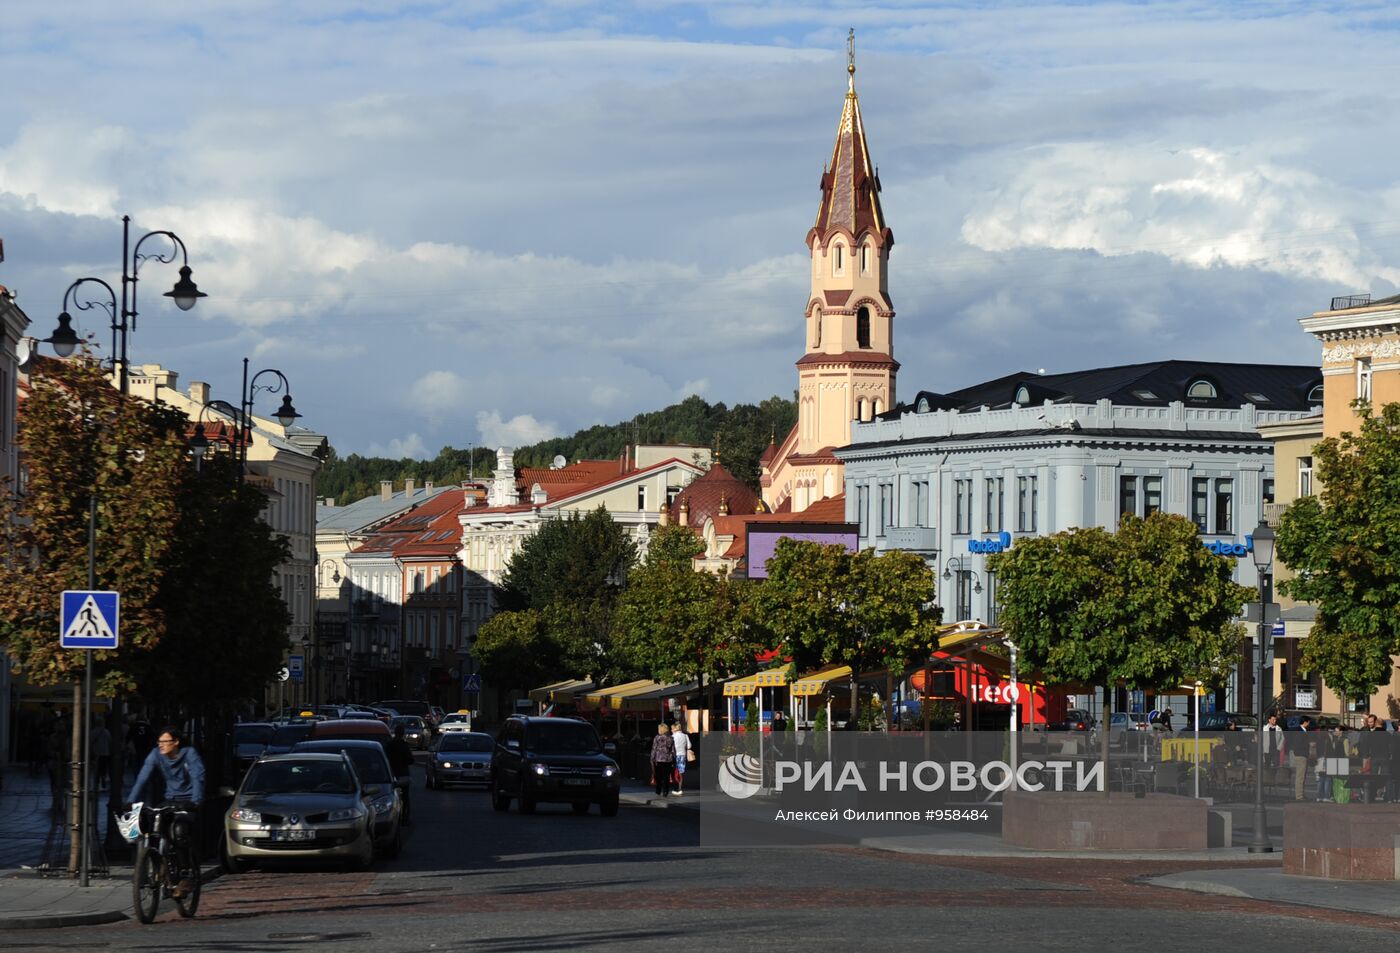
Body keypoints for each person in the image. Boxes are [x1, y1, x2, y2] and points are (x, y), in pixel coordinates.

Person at [126, 727, 205, 898]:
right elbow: (143, 777)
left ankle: (185, 873)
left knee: (179, 832)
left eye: (165, 742)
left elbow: (198, 776)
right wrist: (130, 801)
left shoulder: (189, 753)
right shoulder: (156, 755)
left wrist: (195, 801)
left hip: (188, 800)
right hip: (169, 798)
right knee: (152, 826)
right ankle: (156, 863)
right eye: (159, 742)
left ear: (176, 742)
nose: (161, 745)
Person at [386, 725, 415, 825]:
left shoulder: (389, 745)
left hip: (391, 774)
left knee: (391, 796)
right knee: (405, 797)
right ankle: (405, 817)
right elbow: (411, 760)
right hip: (403, 774)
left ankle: (394, 816)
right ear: (403, 733)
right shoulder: (404, 745)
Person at [1288, 714, 1314, 801]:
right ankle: (1299, 796)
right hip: (1301, 755)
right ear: (1305, 722)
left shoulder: (1303, 730)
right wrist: (1308, 746)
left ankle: (1301, 794)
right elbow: (1298, 744)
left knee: (1302, 776)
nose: (1309, 724)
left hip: (1302, 755)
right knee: (1300, 777)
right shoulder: (1299, 731)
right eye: (1308, 722)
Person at [650, 724, 675, 797]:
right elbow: (673, 750)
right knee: (666, 776)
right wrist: (674, 758)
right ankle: (665, 791)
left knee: (658, 776)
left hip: (658, 759)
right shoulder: (670, 738)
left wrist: (652, 758)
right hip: (668, 759)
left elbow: (654, 748)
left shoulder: (657, 738)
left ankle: (658, 790)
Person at [670, 722, 691, 796]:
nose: (671, 730)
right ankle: (680, 788)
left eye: (672, 728)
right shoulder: (685, 736)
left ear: (675, 729)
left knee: (674, 772)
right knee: (681, 772)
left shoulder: (673, 736)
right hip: (682, 755)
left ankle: (675, 788)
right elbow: (689, 746)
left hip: (674, 756)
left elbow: (671, 747)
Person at [91, 717, 112, 792]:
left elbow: (90, 741)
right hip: (106, 753)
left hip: (97, 753)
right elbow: (110, 741)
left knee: (97, 769)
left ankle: (96, 783)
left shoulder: (94, 731)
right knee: (103, 768)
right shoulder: (106, 732)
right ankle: (103, 779)